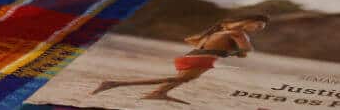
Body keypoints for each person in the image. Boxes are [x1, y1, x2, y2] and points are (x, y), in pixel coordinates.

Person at [92, 15, 269, 105]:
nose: (258, 29)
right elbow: (247, 50)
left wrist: (230, 51)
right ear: (249, 21)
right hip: (204, 57)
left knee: (181, 78)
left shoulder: (222, 28)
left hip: (195, 54)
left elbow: (205, 42)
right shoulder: (238, 33)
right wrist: (237, 52)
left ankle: (159, 93)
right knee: (181, 79)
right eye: (258, 25)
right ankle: (113, 83)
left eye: (261, 28)